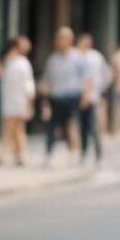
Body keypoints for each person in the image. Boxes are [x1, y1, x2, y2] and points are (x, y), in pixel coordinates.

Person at [40, 27, 90, 165]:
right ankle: (48, 154)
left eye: (61, 39)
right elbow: (47, 80)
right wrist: (45, 101)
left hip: (72, 96)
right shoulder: (52, 59)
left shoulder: (78, 58)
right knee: (52, 127)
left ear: (69, 41)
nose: (58, 42)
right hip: (56, 97)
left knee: (71, 125)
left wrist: (85, 95)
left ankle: (74, 153)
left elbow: (86, 78)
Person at [0, 36, 36, 166]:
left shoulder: (23, 63)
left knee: (11, 128)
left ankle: (5, 155)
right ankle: (18, 155)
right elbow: (4, 77)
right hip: (9, 99)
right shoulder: (8, 61)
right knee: (17, 129)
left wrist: (29, 104)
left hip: (19, 100)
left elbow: (28, 85)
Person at [76, 32, 112, 163]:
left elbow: (107, 73)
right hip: (77, 97)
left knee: (93, 126)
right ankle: (83, 153)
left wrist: (101, 90)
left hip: (93, 97)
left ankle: (98, 152)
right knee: (81, 127)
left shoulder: (96, 57)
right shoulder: (76, 56)